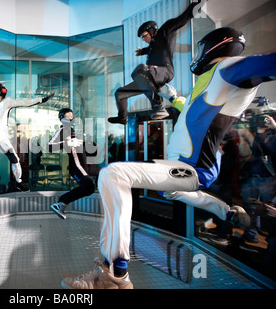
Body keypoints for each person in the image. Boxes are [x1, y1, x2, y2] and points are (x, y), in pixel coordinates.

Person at [61, 27, 276, 289]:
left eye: (200, 49)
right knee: (170, 193)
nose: (198, 55)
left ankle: (114, 274)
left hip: (192, 168)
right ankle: (228, 212)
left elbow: (265, 63)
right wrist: (173, 98)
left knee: (113, 174)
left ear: (218, 46)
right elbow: (190, 111)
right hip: (183, 167)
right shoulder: (210, 82)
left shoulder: (228, 68)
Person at [108, 0, 214, 124]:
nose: (144, 39)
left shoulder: (166, 31)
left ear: (152, 31)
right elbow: (155, 49)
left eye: (145, 36)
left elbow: (186, 16)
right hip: (150, 77)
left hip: (165, 71)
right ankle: (122, 117)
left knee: (140, 70)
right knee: (120, 93)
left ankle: (158, 106)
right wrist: (144, 51)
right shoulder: (152, 46)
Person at [48, 108, 96, 219]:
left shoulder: (72, 131)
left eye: (72, 116)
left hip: (85, 166)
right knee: (89, 187)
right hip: (77, 166)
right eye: (68, 116)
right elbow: (49, 146)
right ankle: (61, 203)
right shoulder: (62, 131)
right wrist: (66, 142)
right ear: (61, 119)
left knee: (105, 171)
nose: (71, 118)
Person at [241, 114, 276, 243]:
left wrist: (273, 127)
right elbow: (255, 153)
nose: (261, 123)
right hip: (252, 177)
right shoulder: (255, 134)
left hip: (268, 179)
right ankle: (251, 235)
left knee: (269, 210)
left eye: (265, 120)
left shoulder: (272, 136)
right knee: (251, 208)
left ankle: (271, 240)